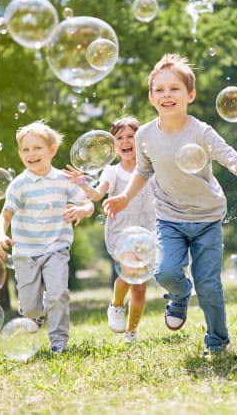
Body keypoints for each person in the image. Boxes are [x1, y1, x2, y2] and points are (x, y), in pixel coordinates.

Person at [103, 53, 237, 356]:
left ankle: (217, 342)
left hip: (206, 219)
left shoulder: (201, 132)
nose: (167, 95)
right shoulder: (145, 136)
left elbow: (235, 159)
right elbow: (143, 170)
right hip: (169, 218)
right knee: (164, 272)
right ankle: (180, 294)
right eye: (160, 90)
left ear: (189, 94)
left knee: (210, 286)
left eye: (175, 88)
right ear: (152, 97)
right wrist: (124, 197)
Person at [0, 121, 94, 353]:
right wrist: (1, 235)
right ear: (20, 153)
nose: (31, 154)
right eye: (25, 149)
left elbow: (87, 203)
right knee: (29, 307)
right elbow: (5, 214)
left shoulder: (63, 179)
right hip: (26, 252)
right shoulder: (19, 185)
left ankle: (59, 341)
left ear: (52, 150)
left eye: (37, 148)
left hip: (56, 248)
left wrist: (82, 210)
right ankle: (36, 316)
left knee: (58, 293)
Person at [64, 116, 155, 344]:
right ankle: (116, 305)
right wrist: (82, 184)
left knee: (140, 288)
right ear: (114, 145)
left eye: (130, 137)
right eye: (119, 138)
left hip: (149, 231)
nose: (125, 142)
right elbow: (96, 195)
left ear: (140, 140)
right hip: (121, 231)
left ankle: (131, 332)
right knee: (128, 272)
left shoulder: (151, 167)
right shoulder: (112, 172)